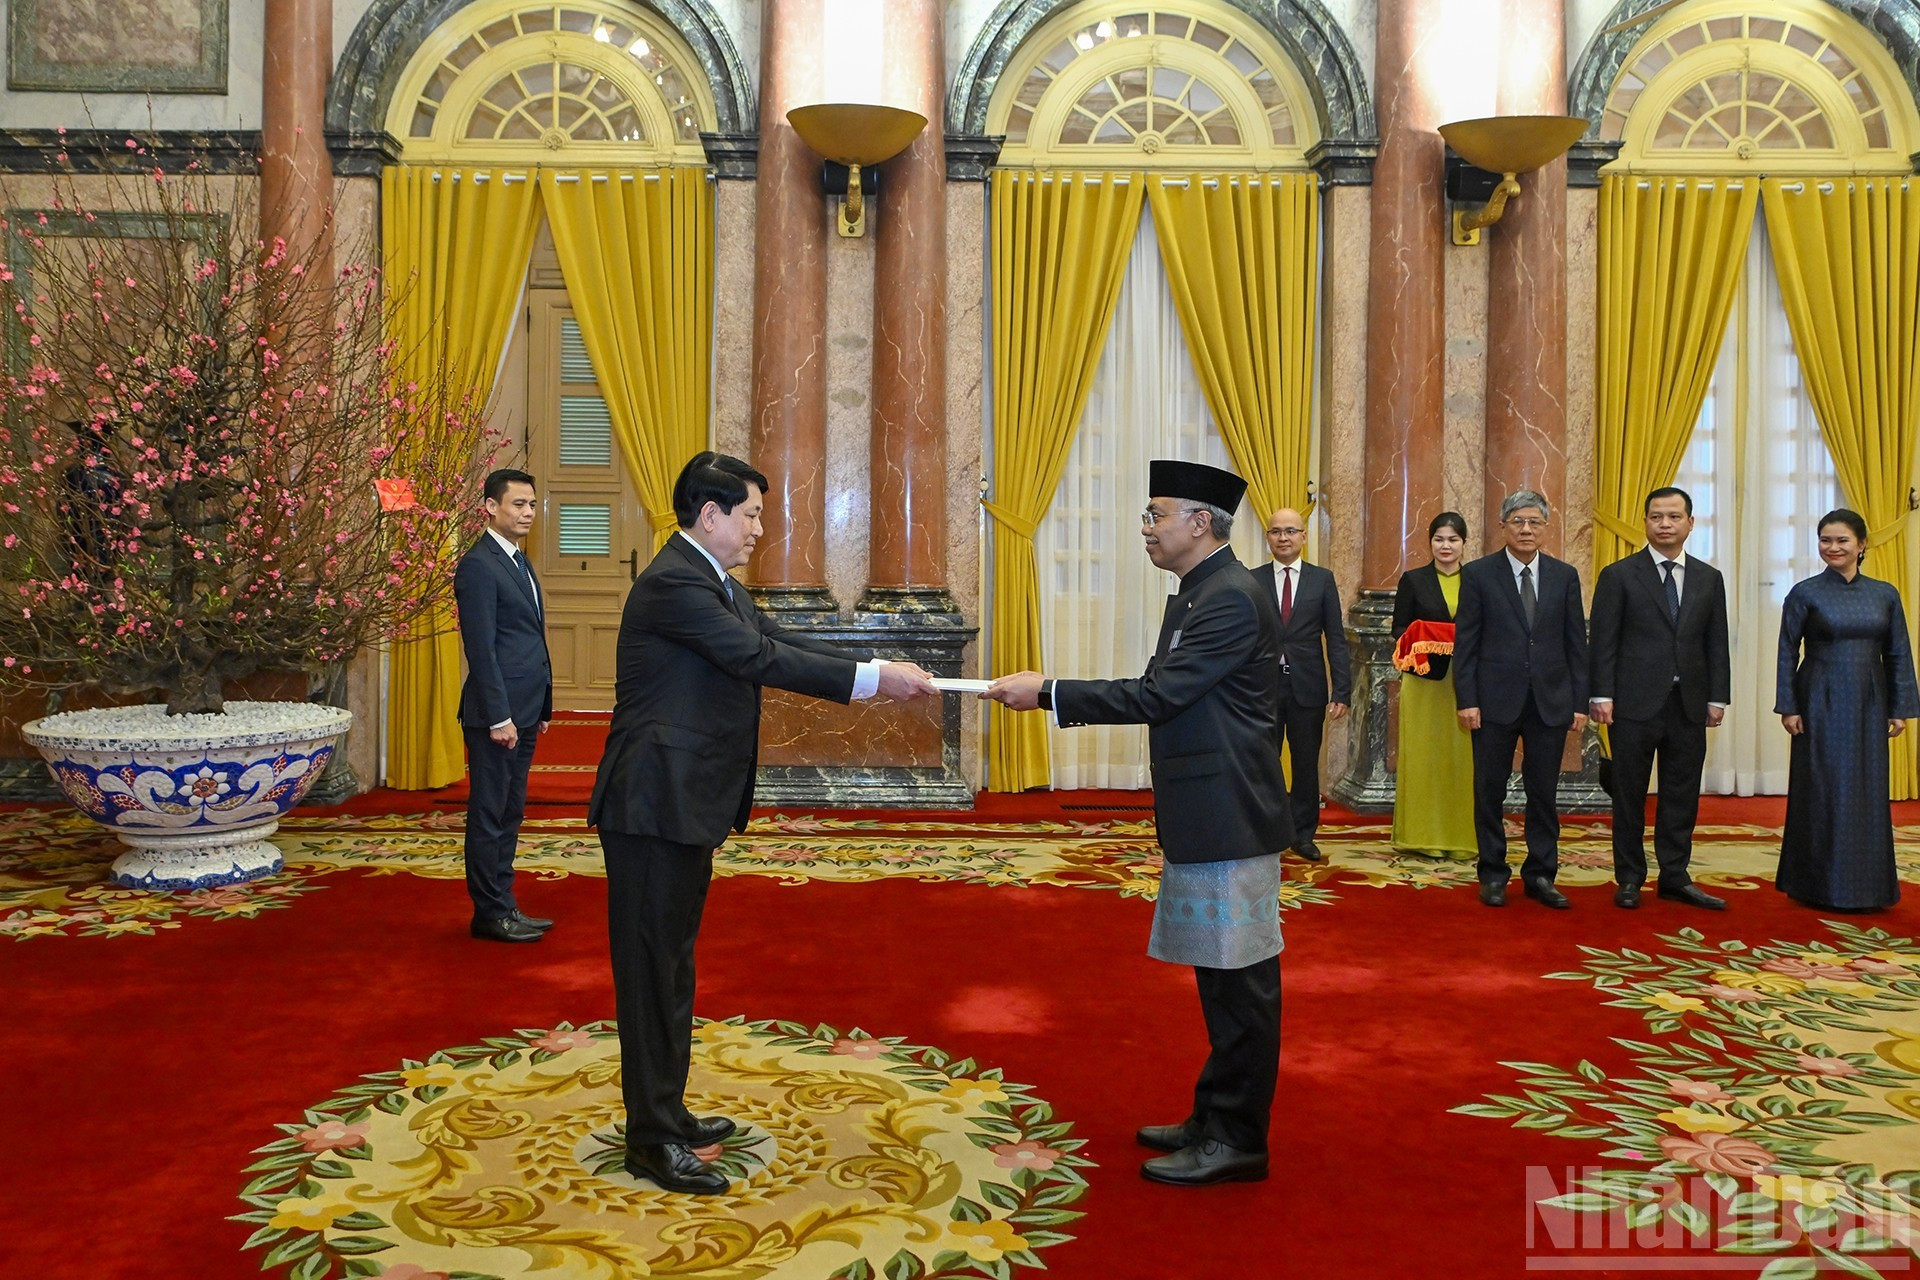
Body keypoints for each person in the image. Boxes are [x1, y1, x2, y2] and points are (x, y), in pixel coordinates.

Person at [590, 452, 937, 1194]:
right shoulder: (674, 585)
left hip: (682, 804)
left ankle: (667, 1112)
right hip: (652, 804)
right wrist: (875, 682)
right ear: (708, 515)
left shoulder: (712, 582)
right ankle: (651, 1139)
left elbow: (786, 640)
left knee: (672, 967)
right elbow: (755, 656)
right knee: (651, 974)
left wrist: (881, 665)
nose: (757, 528)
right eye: (749, 514)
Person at [986, 460, 1288, 1189]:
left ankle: (1239, 1138)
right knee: (1218, 976)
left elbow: (1161, 693)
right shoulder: (1200, 591)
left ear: (1199, 522)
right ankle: (1214, 1115)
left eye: (1155, 515)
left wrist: (1048, 691)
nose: (1146, 529)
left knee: (1241, 982)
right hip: (1206, 805)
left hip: (1230, 810)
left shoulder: (1227, 598)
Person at [1588, 487, 1731, 911]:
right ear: (1645, 523)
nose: (1664, 524)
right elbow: (1604, 642)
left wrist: (1717, 697)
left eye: (1673, 516)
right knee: (1629, 793)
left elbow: (1716, 643)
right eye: (1656, 517)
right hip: (1632, 703)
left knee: (1682, 793)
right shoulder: (1619, 575)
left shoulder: (1709, 578)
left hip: (1688, 702)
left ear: (1690, 522)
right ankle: (1629, 878)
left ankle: (1675, 875)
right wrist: (1601, 694)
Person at [1774, 508, 1919, 912]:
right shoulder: (1804, 592)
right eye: (1825, 540)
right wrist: (1788, 705)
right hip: (1819, 698)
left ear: (1861, 545)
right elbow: (1788, 651)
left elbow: (1898, 652)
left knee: (1867, 790)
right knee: (1822, 787)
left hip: (1870, 700)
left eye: (1841, 540)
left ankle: (1866, 887)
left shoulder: (1885, 593)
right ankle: (1815, 884)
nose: (1833, 547)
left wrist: (1900, 706)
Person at [1454, 489, 1589, 909]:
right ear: (1503, 526)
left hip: (1549, 702)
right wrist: (1467, 699)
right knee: (1489, 791)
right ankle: (1493, 873)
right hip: (1493, 702)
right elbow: (1467, 644)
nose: (1526, 529)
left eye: (1534, 522)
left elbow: (1575, 645)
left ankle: (1541, 875)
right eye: (1518, 521)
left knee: (1544, 793)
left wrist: (1579, 702)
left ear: (1546, 528)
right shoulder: (1477, 574)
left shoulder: (1565, 576)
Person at [454, 468, 554, 944]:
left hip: (526, 710)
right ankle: (489, 913)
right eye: (518, 504)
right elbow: (482, 648)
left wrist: (544, 704)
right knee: (490, 813)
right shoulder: (478, 565)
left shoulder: (518, 561)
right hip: (498, 716)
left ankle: (504, 905)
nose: (528, 513)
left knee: (511, 812)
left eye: (532, 505)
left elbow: (529, 638)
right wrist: (499, 716)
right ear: (490, 507)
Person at [1252, 507, 1350, 862]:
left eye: (1291, 531)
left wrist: (1342, 690)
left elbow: (1335, 638)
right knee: (1264, 761)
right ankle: (1266, 830)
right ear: (1268, 538)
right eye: (1276, 531)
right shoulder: (1252, 579)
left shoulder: (1322, 580)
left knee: (1306, 765)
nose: (1283, 537)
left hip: (1308, 688)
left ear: (1304, 537)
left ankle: (1303, 834)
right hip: (1262, 690)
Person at [1390, 511, 1476, 859]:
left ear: (1463, 543)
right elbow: (1398, 630)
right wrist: (1422, 637)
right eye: (1439, 539)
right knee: (1424, 758)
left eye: (1453, 539)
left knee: (1463, 760)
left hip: (1467, 682)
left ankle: (1463, 839)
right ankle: (1422, 837)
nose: (1446, 545)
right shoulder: (1413, 579)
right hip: (1424, 682)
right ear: (1430, 543)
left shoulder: (1479, 579)